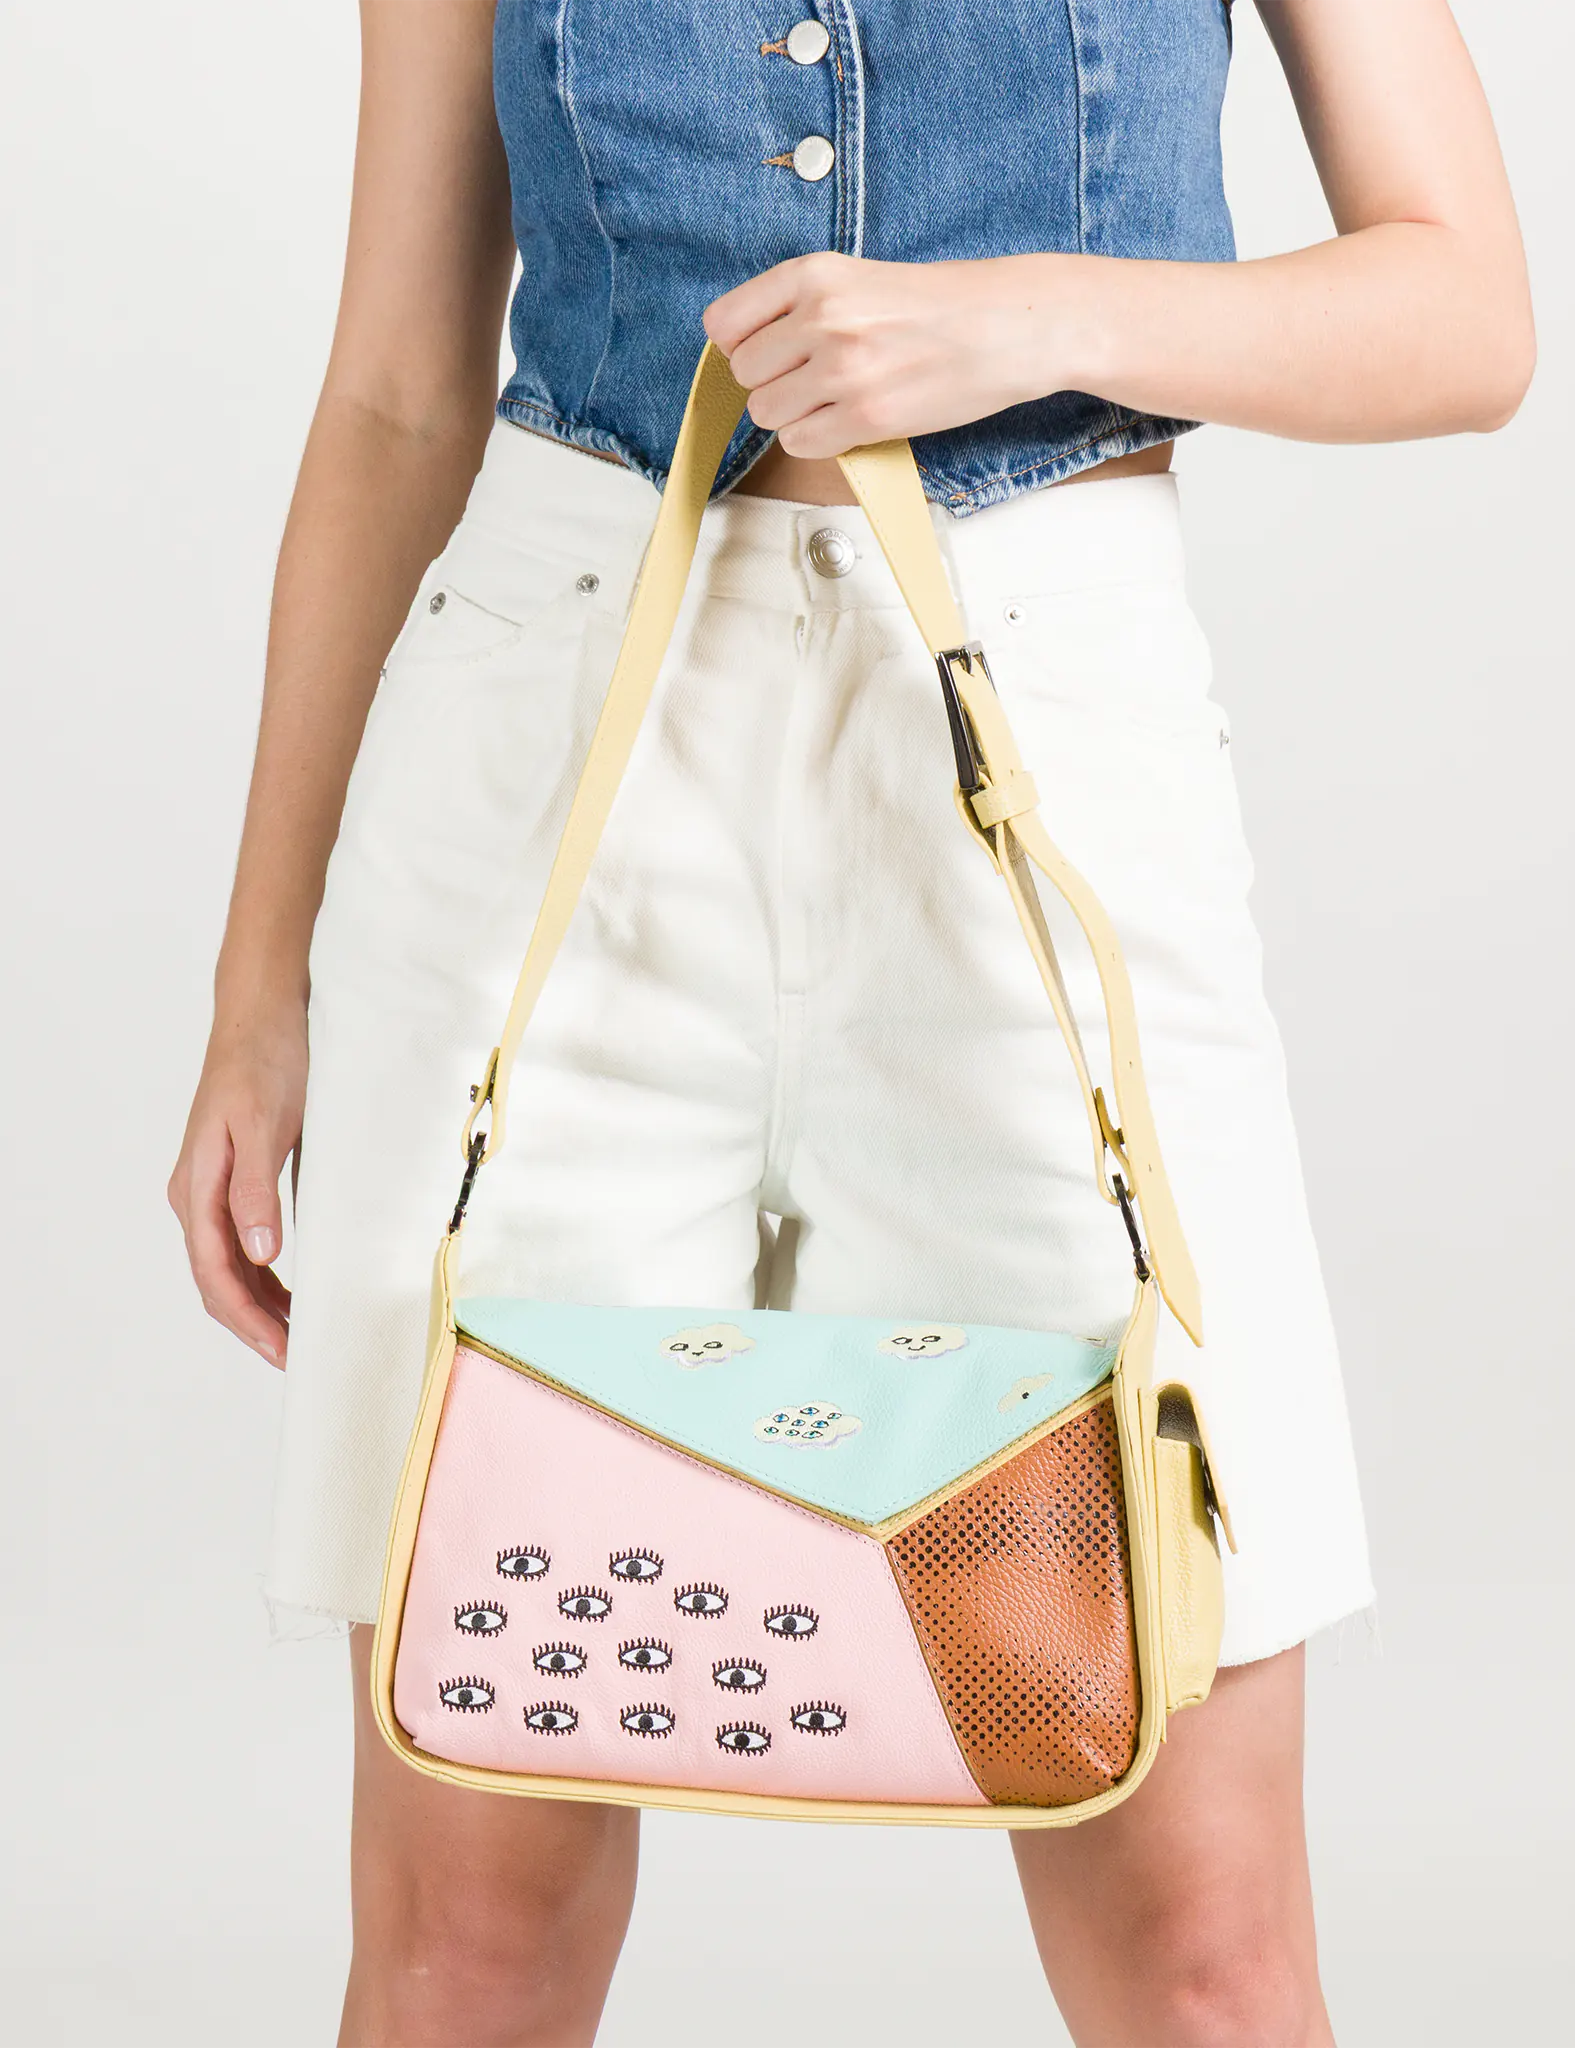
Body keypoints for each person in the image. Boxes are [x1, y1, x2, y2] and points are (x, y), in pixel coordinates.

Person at [168, 3, 1532, 2043]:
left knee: (1203, 1953)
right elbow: (393, 389)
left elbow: (1463, 310)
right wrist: (255, 977)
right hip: (550, 756)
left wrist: (1034, 319)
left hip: (1044, 757)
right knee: (467, 1939)